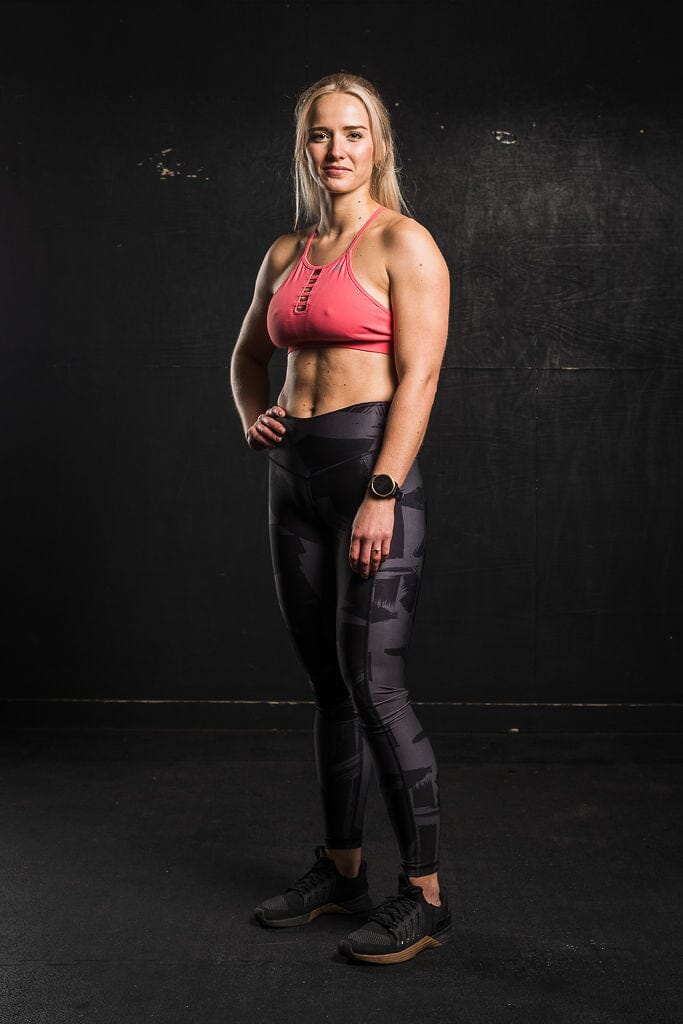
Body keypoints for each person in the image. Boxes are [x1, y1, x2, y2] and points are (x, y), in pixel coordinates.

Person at [229, 71, 451, 965]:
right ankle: (343, 870)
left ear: (378, 144)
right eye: (320, 134)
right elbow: (247, 358)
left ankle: (424, 896)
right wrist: (255, 416)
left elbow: (420, 378)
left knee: (376, 688)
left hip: (368, 475)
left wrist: (382, 492)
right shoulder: (286, 252)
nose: (335, 149)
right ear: (304, 147)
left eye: (353, 133)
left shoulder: (404, 242)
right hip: (292, 483)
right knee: (328, 687)